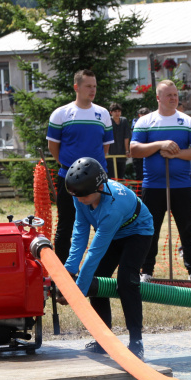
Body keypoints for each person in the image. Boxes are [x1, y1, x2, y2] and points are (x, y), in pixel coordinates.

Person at [59, 158, 154, 360]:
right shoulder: (80, 192)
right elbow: (80, 231)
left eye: (83, 195)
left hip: (138, 233)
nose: (80, 199)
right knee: (97, 280)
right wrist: (69, 271)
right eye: (76, 195)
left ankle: (136, 341)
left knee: (126, 282)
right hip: (115, 232)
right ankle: (104, 339)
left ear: (100, 187)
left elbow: (95, 252)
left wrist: (77, 294)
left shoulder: (112, 207)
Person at [130, 80, 191, 285]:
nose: (173, 98)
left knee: (188, 228)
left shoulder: (187, 121)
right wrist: (159, 145)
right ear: (158, 98)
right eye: (169, 95)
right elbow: (134, 149)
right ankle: (146, 271)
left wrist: (177, 154)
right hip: (153, 186)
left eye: (175, 94)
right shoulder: (145, 121)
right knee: (149, 229)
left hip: (181, 185)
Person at [47, 69, 113, 265]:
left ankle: (102, 271)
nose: (92, 90)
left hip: (99, 181)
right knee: (66, 226)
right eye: (88, 86)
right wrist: (71, 169)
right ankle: (62, 275)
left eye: (94, 86)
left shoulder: (103, 113)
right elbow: (53, 147)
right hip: (68, 178)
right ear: (77, 87)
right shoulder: (61, 114)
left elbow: (106, 147)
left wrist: (92, 172)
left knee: (104, 225)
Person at [107, 103, 131, 180]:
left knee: (120, 177)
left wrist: (127, 150)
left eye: (119, 111)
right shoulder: (108, 121)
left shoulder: (124, 121)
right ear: (111, 112)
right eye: (115, 111)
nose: (117, 113)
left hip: (122, 153)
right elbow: (106, 137)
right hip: (110, 154)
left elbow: (126, 136)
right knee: (112, 177)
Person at [131, 107, 151, 182]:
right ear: (139, 115)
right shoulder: (136, 122)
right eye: (143, 115)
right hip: (138, 150)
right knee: (139, 175)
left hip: (149, 151)